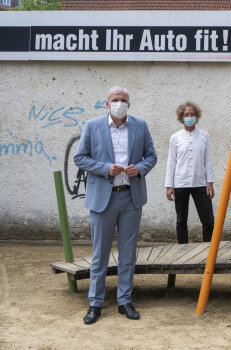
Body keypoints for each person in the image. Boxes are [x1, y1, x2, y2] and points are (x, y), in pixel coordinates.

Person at [74, 86, 157, 324]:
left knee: (128, 254)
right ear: (107, 103)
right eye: (115, 100)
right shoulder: (92, 126)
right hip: (103, 198)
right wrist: (104, 168)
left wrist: (139, 169)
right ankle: (95, 304)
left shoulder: (140, 126)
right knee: (100, 254)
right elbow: (80, 157)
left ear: (129, 104)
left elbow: (151, 155)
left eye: (123, 100)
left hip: (131, 197)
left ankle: (124, 301)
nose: (119, 103)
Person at [165, 101, 215, 244]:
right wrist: (169, 186)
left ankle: (208, 249)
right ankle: (182, 248)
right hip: (180, 183)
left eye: (192, 114)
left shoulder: (204, 136)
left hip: (200, 182)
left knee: (208, 220)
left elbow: (208, 160)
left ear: (196, 116)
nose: (189, 116)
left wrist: (210, 182)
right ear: (181, 117)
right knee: (181, 220)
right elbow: (171, 162)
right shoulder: (175, 138)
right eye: (186, 114)